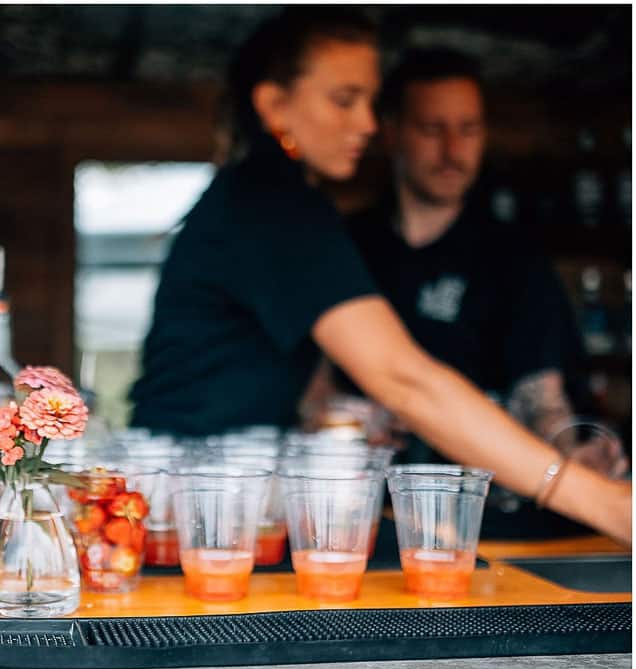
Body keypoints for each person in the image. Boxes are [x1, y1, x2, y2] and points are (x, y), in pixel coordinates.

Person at [126, 8, 631, 544]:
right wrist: (606, 503)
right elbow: (404, 378)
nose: (367, 124)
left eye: (369, 101)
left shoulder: (265, 198)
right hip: (196, 508)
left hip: (201, 499)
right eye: (344, 100)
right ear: (274, 104)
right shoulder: (275, 206)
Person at [312, 48, 626, 481]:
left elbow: (543, 400)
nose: (453, 149)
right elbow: (309, 388)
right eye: (432, 129)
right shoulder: (343, 245)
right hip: (364, 503)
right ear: (390, 133)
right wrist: (341, 417)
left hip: (486, 503)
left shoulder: (514, 256)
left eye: (468, 129)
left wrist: (575, 460)